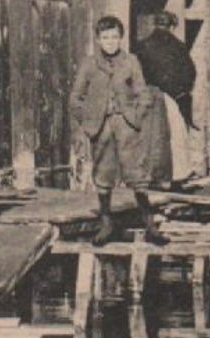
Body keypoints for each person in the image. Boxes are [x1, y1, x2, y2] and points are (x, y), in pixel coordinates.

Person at [71, 15, 170, 247]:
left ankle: (150, 227)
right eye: (105, 37)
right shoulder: (89, 63)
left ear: (121, 38)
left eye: (115, 37)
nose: (110, 42)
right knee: (103, 177)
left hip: (126, 125)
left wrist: (136, 116)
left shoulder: (131, 61)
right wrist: (88, 123)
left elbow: (143, 92)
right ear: (98, 39)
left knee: (137, 175)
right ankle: (107, 224)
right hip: (101, 127)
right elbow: (75, 98)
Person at [134, 10, 200, 186]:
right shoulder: (179, 46)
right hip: (172, 98)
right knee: (175, 137)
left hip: (148, 97)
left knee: (150, 138)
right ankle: (175, 175)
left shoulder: (141, 46)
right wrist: (181, 92)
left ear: (155, 24)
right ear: (171, 26)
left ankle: (151, 176)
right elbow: (190, 73)